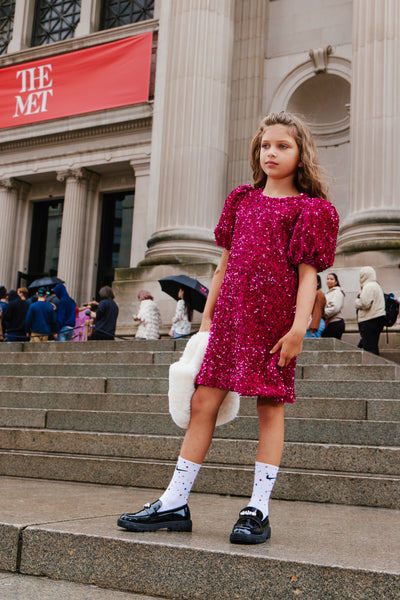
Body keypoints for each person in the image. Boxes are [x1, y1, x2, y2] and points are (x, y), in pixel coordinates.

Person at [118, 112, 339, 544]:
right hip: (231, 322)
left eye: (282, 146)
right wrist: (209, 319)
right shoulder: (242, 200)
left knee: (269, 408)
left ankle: (258, 509)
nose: (271, 152)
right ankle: (174, 502)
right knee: (203, 403)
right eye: (265, 145)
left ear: (301, 155)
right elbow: (222, 267)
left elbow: (308, 276)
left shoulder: (311, 210)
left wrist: (298, 330)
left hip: (275, 325)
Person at [355, 266, 386, 355]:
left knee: (369, 348)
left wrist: (357, 301)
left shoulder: (368, 286)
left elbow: (364, 304)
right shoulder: (376, 285)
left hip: (369, 319)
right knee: (372, 346)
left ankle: (374, 367)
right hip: (377, 318)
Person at [321, 272, 345, 339]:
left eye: (331, 279)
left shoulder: (338, 292)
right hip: (328, 323)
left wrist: (322, 314)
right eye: (327, 279)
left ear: (336, 282)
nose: (329, 281)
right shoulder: (328, 293)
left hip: (335, 323)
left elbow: (335, 308)